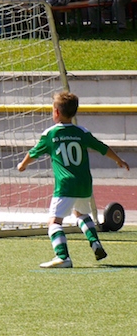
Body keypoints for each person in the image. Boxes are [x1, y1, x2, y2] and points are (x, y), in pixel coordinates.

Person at [17, 92, 129, 269]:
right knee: (81, 214)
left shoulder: (51, 134)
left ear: (56, 112)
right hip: (84, 184)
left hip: (65, 186)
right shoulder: (81, 132)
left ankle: (63, 257)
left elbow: (33, 153)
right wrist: (118, 160)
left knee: (54, 222)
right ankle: (95, 243)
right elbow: (102, 147)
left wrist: (22, 165)